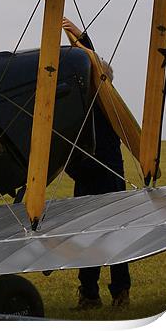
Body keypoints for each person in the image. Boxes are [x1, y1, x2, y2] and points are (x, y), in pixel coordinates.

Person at [62, 18, 131, 309]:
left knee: (114, 238)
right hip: (86, 178)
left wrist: (82, 37)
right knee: (86, 239)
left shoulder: (108, 105)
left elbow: (93, 65)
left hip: (108, 177)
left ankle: (120, 292)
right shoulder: (81, 106)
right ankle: (89, 294)